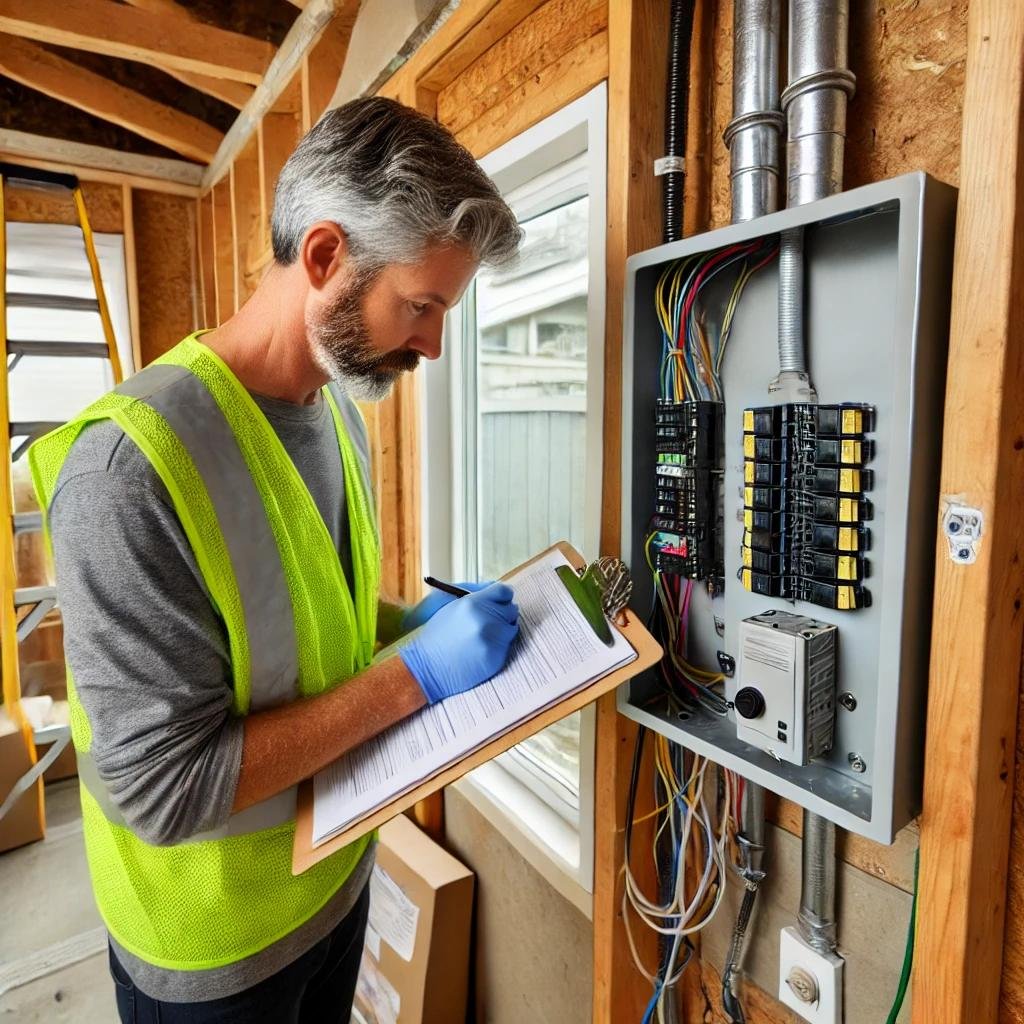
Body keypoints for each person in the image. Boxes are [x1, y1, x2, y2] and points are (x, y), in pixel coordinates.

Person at [28, 97, 523, 1023]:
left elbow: (292, 610)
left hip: (332, 880)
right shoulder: (127, 473)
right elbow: (162, 788)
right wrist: (415, 674)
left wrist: (401, 626)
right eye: (420, 305)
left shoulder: (334, 411)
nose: (432, 342)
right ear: (328, 257)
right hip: (214, 949)